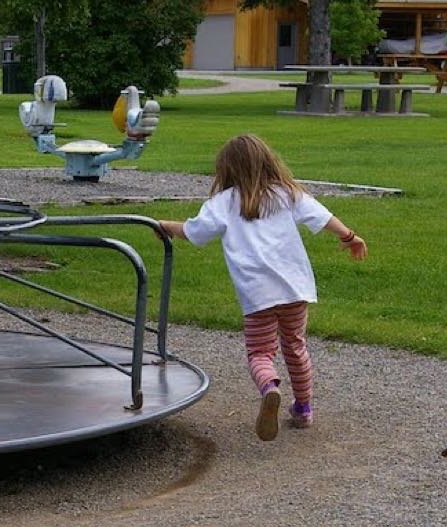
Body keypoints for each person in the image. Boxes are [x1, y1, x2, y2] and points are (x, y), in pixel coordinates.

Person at [155, 134, 367, 442]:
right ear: (268, 160)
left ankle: (270, 388)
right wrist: (350, 237)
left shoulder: (222, 204)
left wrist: (166, 226)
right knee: (295, 346)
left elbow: (193, 232)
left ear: (226, 169)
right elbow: (322, 217)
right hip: (295, 289)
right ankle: (304, 408)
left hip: (257, 294)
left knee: (260, 352)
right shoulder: (287, 193)